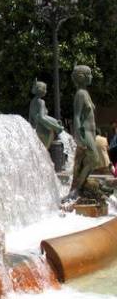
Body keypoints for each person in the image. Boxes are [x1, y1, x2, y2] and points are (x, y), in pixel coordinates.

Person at [65, 65, 98, 199]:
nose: (91, 77)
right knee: (94, 159)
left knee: (88, 161)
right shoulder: (80, 94)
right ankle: (77, 188)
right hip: (85, 132)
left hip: (91, 132)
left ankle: (81, 186)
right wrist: (78, 135)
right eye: (89, 74)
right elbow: (77, 116)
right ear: (82, 77)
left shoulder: (85, 93)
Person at [28, 80, 63, 149]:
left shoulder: (32, 102)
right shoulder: (41, 102)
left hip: (37, 130)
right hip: (45, 130)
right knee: (46, 151)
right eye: (45, 89)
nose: (46, 91)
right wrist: (56, 127)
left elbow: (30, 118)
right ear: (42, 90)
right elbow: (42, 117)